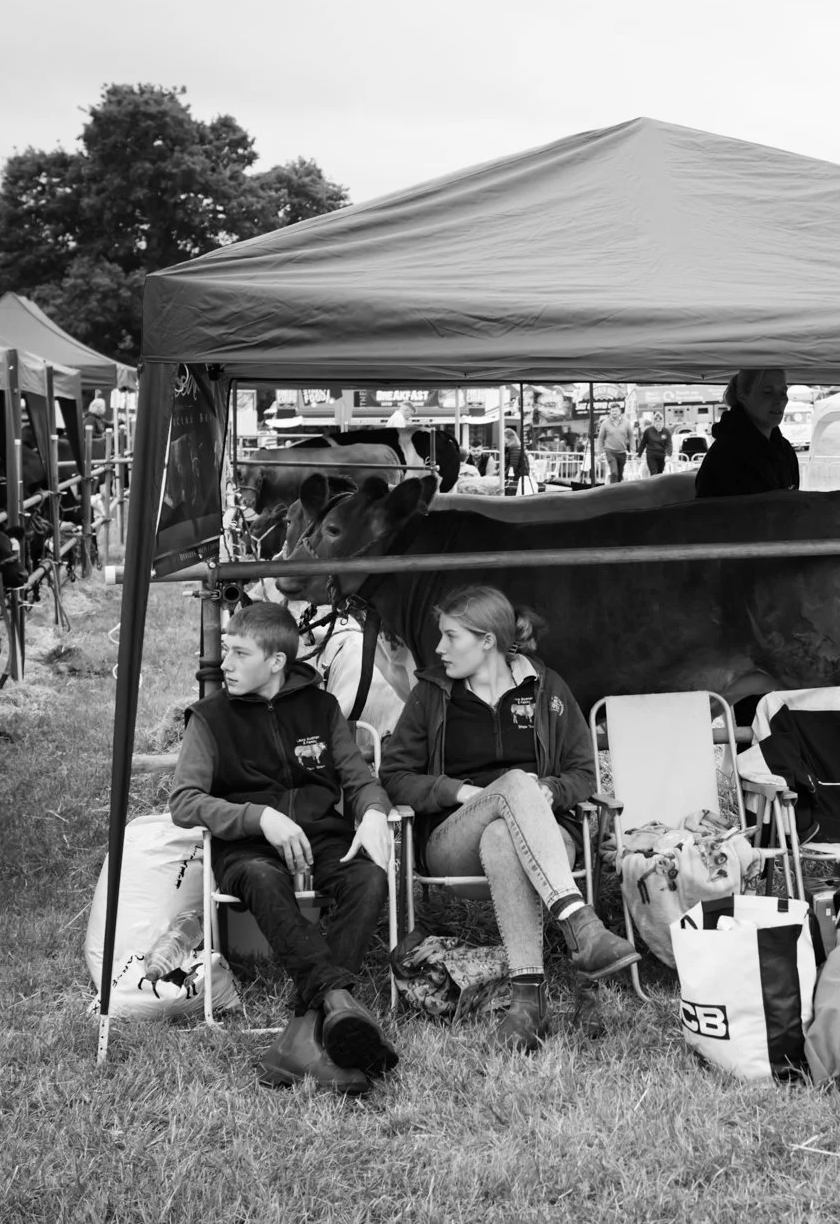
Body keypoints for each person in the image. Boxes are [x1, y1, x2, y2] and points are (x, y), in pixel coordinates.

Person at [379, 586, 637, 1051]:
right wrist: (459, 791)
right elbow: (394, 775)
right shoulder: (432, 695)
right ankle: (579, 923)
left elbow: (581, 771)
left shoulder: (547, 688)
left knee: (506, 827)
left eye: (450, 637)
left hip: (540, 835)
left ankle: (527, 1005)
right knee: (514, 785)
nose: (438, 648)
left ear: (486, 641)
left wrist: (549, 790)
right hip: (454, 839)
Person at [168, 602, 398, 1094]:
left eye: (238, 653)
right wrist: (259, 817)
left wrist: (375, 810)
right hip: (247, 847)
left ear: (276, 662)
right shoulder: (209, 718)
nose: (223, 663)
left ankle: (302, 1034)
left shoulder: (320, 708)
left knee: (368, 875)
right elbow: (184, 802)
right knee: (261, 877)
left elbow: (359, 779)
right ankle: (336, 1000)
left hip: (322, 837)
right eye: (225, 649)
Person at [694, 369, 799, 498]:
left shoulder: (785, 450)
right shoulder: (725, 455)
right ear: (742, 395)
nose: (780, 400)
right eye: (768, 392)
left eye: (783, 392)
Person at [597, 410, 631, 483]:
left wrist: (633, 450)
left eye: (616, 411)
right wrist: (599, 453)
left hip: (622, 452)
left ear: (620, 412)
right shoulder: (605, 423)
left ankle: (618, 489)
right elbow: (600, 438)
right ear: (610, 412)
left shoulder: (626, 422)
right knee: (614, 472)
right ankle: (612, 491)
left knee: (619, 474)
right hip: (610, 451)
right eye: (612, 411)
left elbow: (631, 436)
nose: (614, 412)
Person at [501, 428, 532, 496]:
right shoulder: (514, 447)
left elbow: (513, 466)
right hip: (519, 476)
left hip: (517, 477)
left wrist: (502, 476)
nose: (502, 440)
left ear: (508, 438)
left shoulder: (515, 448)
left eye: (503, 438)